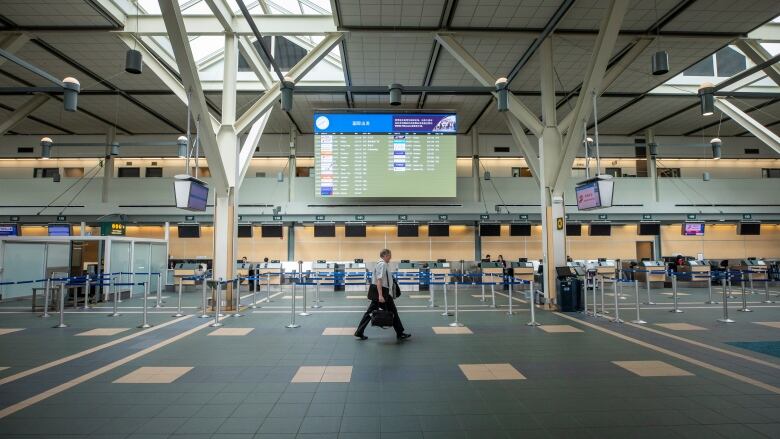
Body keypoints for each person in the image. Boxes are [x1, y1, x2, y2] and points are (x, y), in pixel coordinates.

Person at [355, 249, 411, 341]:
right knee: (391, 312)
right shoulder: (382, 264)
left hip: (383, 293)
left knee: (371, 313)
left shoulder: (381, 264)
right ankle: (400, 333)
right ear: (385, 255)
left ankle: (359, 332)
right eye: (389, 255)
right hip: (382, 294)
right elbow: (379, 280)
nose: (390, 257)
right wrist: (380, 296)